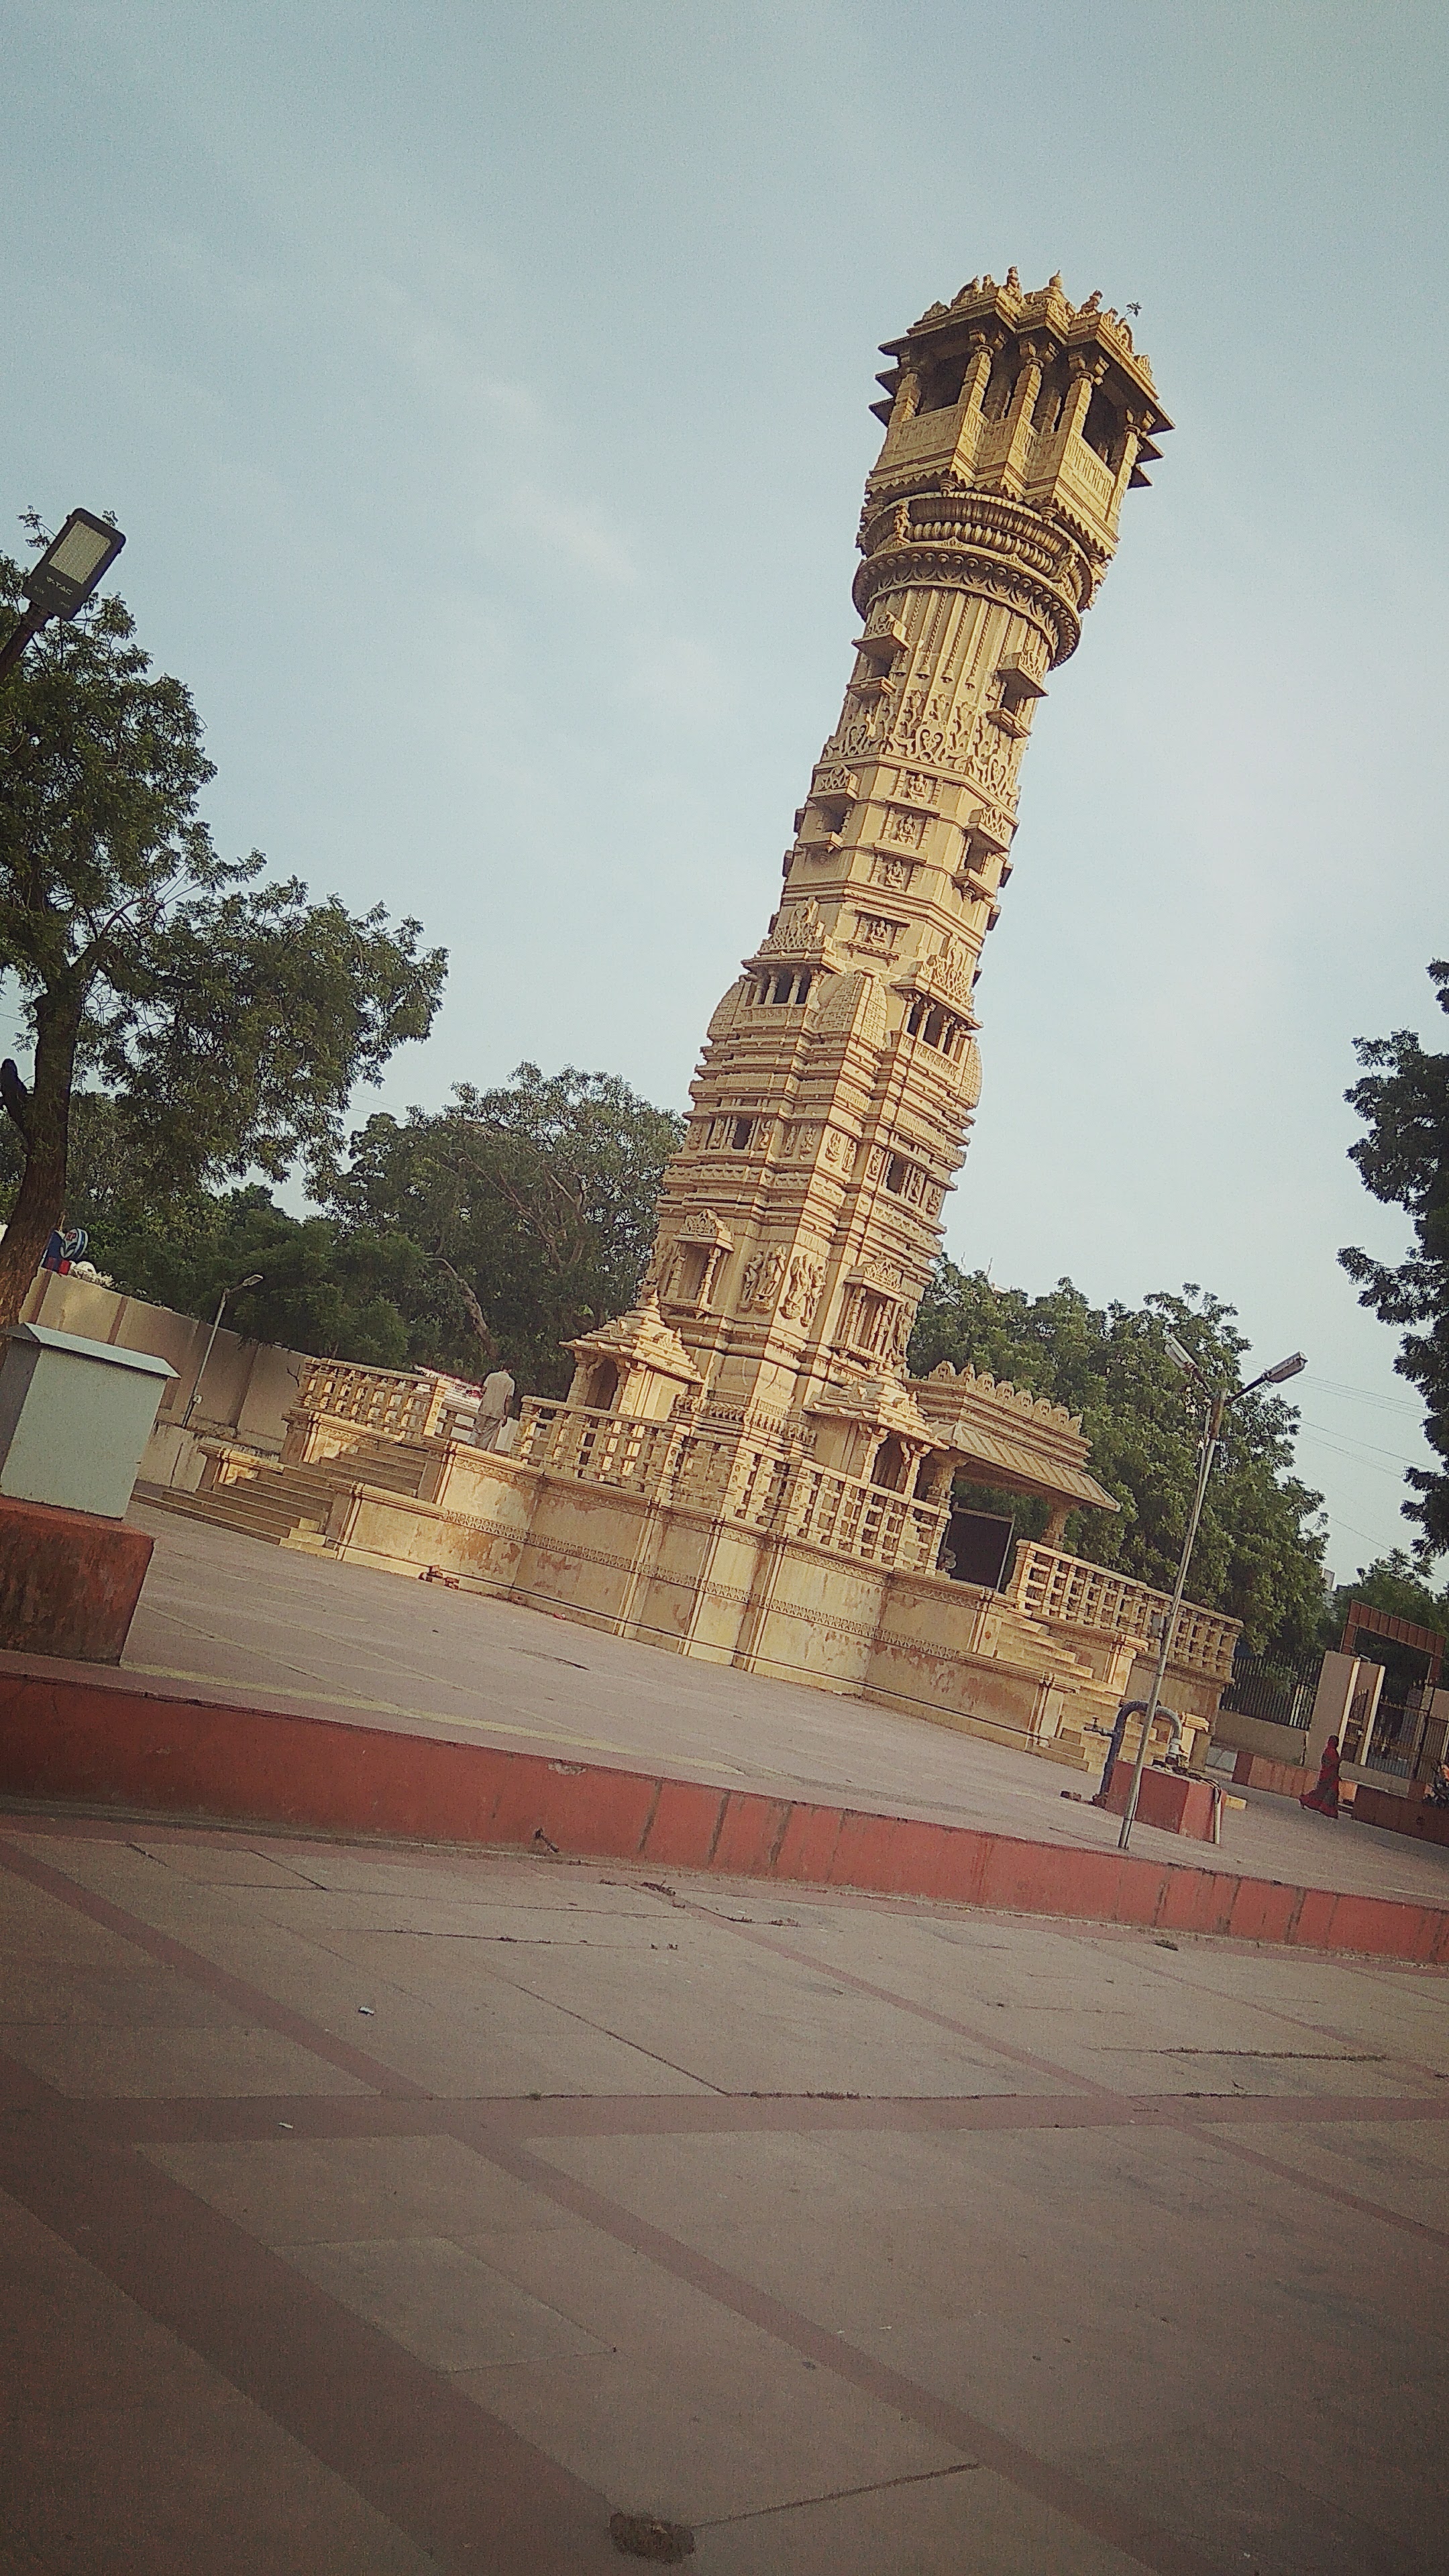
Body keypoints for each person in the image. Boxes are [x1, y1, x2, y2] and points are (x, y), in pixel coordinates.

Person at [1300, 1735, 1342, 1819]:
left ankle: (1308, 1801)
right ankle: (1325, 1808)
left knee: (1321, 1792)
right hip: (1329, 1776)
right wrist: (1340, 1760)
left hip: (1328, 1775)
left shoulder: (1328, 1751)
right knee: (1330, 1792)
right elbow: (1331, 1764)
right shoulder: (1331, 1752)